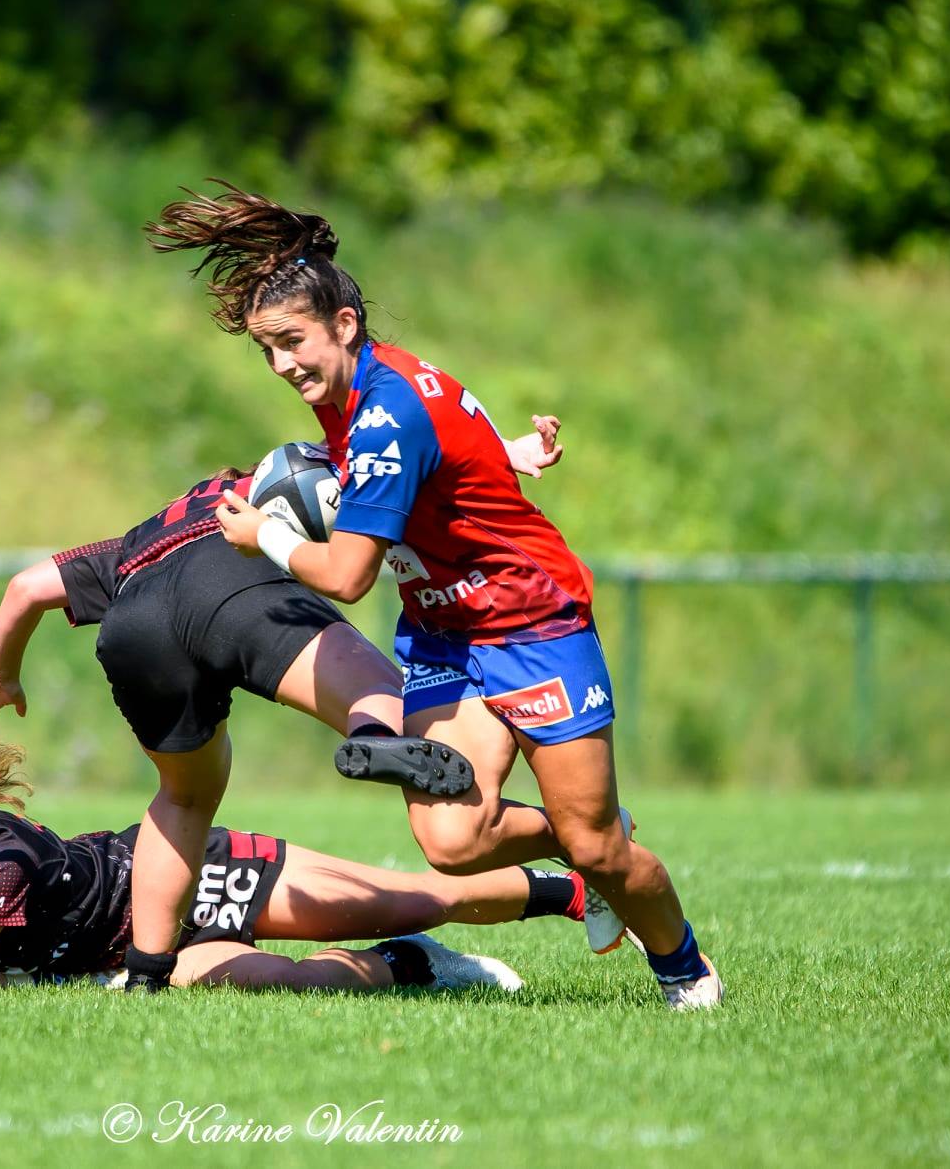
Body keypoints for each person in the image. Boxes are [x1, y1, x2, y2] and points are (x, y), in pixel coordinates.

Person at [147, 183, 722, 1010]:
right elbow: (453, 436)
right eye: (266, 349)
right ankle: (582, 841)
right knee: (452, 838)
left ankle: (685, 971)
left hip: (530, 621)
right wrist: (504, 456)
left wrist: (264, 536)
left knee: (600, 847)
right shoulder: (369, 391)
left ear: (344, 325)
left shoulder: (384, 417)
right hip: (443, 631)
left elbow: (346, 575)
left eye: (292, 342)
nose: (281, 365)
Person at [0, 456, 623, 993]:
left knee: (182, 797)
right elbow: (400, 459)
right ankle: (375, 738)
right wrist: (503, 455)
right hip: (232, 579)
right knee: (380, 686)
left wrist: (2, 673)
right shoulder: (248, 492)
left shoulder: (130, 543)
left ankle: (146, 972)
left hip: (132, 622)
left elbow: (26, 587)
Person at [0, 679, 606, 993]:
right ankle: (414, 963)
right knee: (284, 982)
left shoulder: (0, 852)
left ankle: (574, 882)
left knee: (426, 890)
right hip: (127, 954)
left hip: (178, 872)